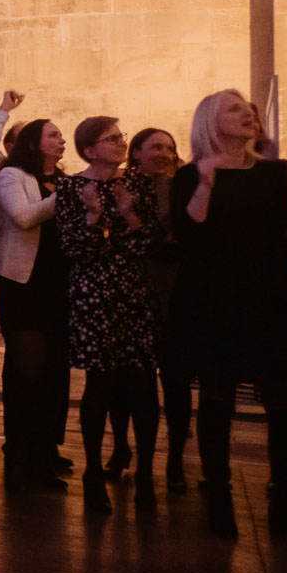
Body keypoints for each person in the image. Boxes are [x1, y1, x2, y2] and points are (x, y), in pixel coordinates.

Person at [170, 89, 287, 541]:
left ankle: (286, 500)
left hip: (270, 299)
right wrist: (207, 186)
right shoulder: (191, 174)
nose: (249, 114)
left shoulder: (273, 172)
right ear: (212, 121)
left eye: (249, 109)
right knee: (217, 402)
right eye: (236, 110)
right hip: (214, 303)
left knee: (285, 405)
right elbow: (188, 233)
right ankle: (219, 499)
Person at [56, 117, 162, 513]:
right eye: (112, 138)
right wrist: (93, 215)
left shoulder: (136, 184)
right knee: (98, 385)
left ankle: (147, 472)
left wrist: (129, 212)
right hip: (94, 294)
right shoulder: (71, 187)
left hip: (135, 292)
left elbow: (147, 243)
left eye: (122, 136)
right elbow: (74, 249)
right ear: (89, 149)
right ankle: (92, 472)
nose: (121, 142)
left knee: (143, 386)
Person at [104, 127, 188, 490]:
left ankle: (174, 462)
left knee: (176, 380)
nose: (164, 153)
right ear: (136, 151)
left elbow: (179, 236)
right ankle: (122, 447)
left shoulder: (183, 184)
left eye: (169, 147)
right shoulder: (123, 185)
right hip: (131, 290)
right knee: (125, 381)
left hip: (174, 293)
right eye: (155, 147)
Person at [0, 119, 71, 494]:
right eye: (53, 135)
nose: (61, 140)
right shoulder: (13, 174)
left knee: (54, 375)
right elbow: (22, 218)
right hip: (23, 284)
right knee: (26, 372)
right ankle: (19, 457)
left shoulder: (67, 179)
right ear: (35, 143)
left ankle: (44, 454)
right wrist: (65, 196)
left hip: (60, 286)